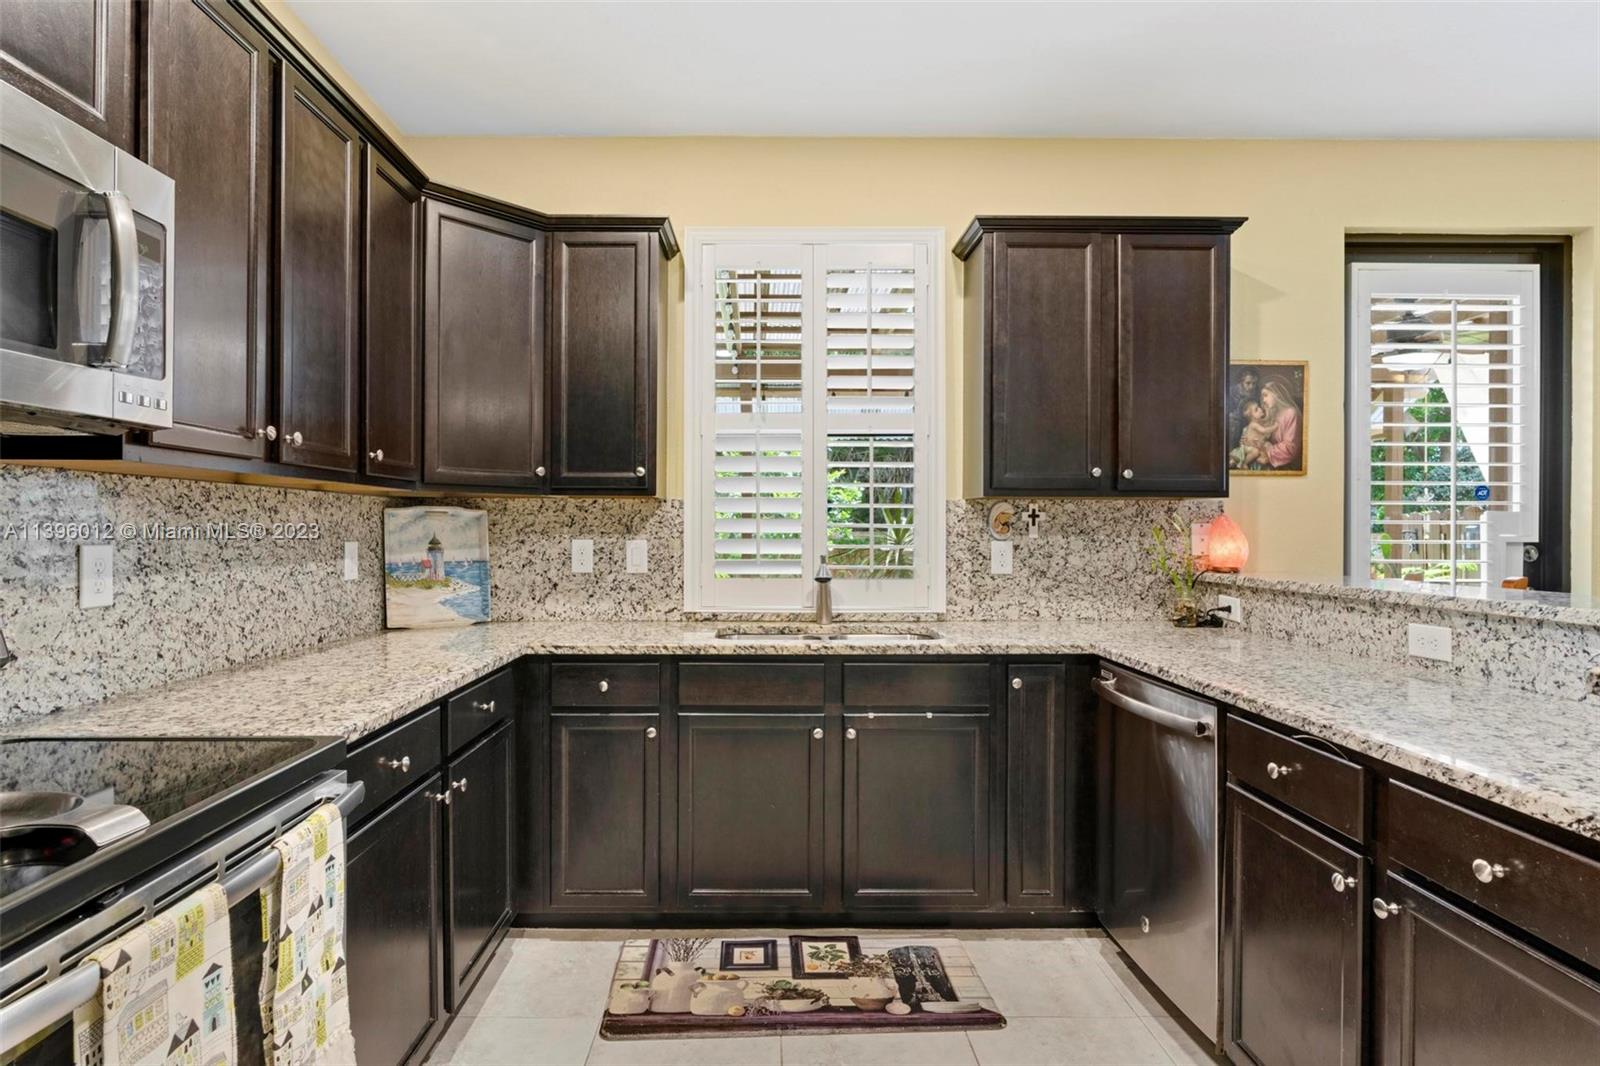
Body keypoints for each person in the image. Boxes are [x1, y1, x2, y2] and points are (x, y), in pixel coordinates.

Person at [1257, 379, 1302, 470]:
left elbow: (1290, 447)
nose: (1264, 400)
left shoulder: (1291, 412)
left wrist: (1268, 452)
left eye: (1266, 395)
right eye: (1262, 397)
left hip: (1286, 464)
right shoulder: (1274, 413)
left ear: (1276, 394)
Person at [1229, 399, 1276, 468]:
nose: (1260, 409)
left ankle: (1264, 459)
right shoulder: (1253, 425)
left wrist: (1268, 412)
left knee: (1267, 446)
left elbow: (1266, 425)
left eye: (1259, 407)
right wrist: (1275, 427)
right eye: (1256, 409)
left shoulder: (1259, 423)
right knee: (1256, 451)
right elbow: (1264, 430)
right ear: (1252, 416)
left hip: (1257, 446)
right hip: (1249, 447)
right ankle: (1244, 463)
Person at [1227, 368, 1261, 452]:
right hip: (1236, 419)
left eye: (1254, 383)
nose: (1251, 386)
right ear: (1241, 382)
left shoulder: (1257, 392)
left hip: (1250, 420)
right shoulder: (1232, 391)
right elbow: (1228, 409)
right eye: (1248, 383)